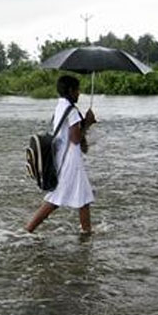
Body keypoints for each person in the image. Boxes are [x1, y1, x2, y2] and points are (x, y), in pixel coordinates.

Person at [26, 75, 97, 234]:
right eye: (77, 90)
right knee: (55, 200)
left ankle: (87, 232)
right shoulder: (71, 110)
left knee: (83, 198)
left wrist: (84, 122)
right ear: (71, 91)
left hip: (63, 158)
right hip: (70, 162)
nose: (79, 94)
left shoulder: (61, 106)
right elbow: (75, 139)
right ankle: (28, 230)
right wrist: (88, 123)